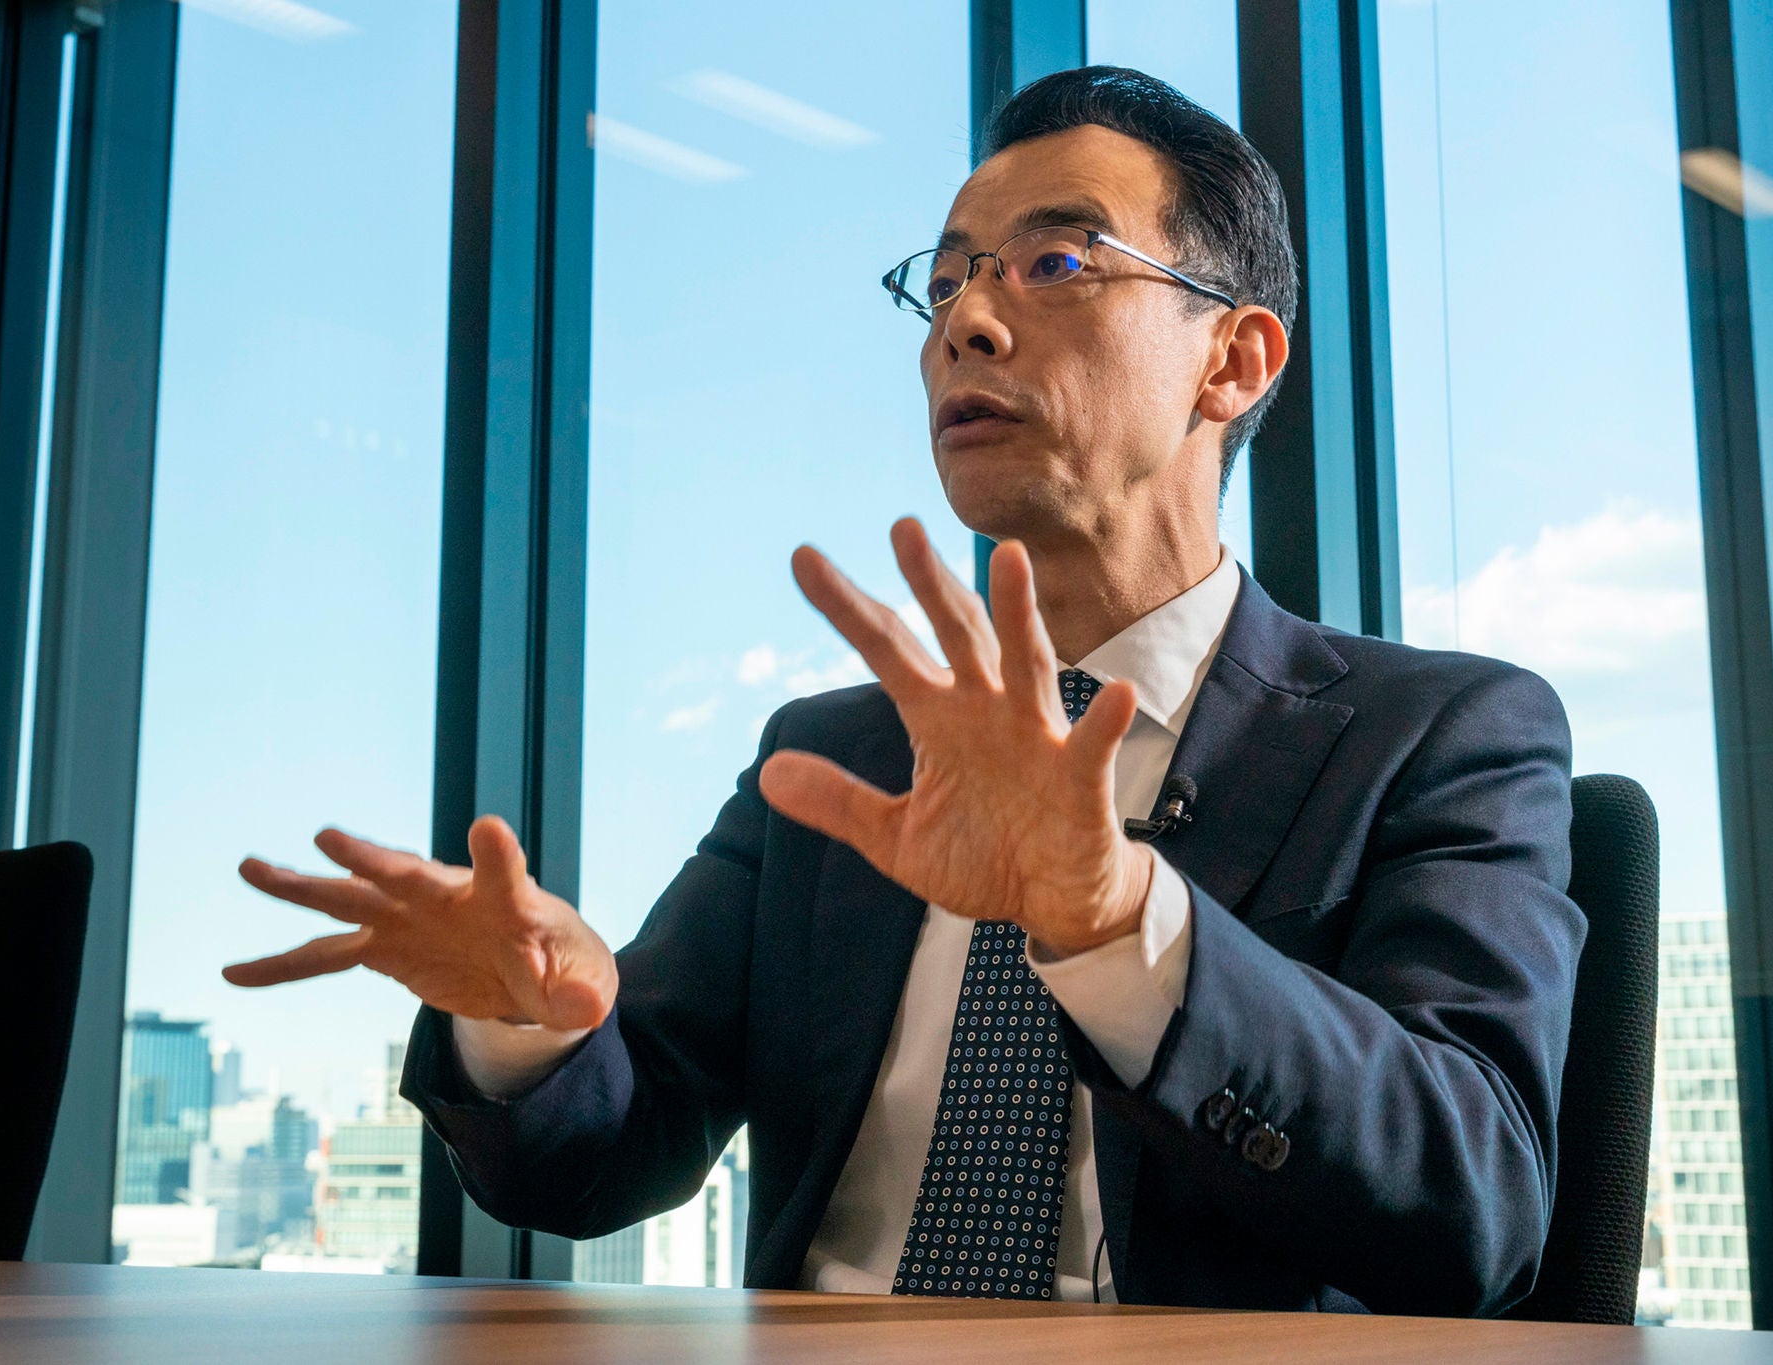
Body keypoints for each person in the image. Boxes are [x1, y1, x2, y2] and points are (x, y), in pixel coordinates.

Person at [225, 66, 1583, 1316]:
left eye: (1056, 262)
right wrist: (527, 1021)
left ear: (1231, 361)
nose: (966, 325)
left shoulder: (1440, 736)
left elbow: (1475, 1207)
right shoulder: (836, 756)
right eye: (941, 286)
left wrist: (1119, 920)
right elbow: (603, 1156)